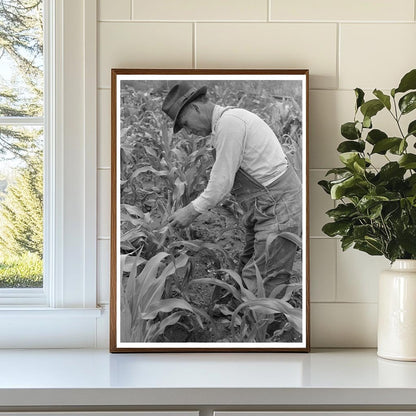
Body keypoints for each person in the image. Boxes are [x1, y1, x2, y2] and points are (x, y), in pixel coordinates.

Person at [162, 81, 302, 295]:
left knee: (266, 278)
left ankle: (264, 325)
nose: (189, 132)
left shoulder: (230, 124)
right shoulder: (226, 123)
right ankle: (242, 313)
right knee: (250, 264)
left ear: (195, 108)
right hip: (265, 205)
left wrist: (190, 211)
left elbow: (221, 183)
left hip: (278, 205)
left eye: (186, 124)